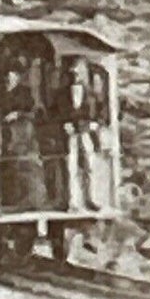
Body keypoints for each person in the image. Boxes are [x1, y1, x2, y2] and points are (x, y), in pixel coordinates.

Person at [53, 59, 104, 212]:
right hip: (71, 134)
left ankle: (91, 199)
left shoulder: (91, 94)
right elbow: (57, 112)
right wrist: (65, 123)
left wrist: (95, 123)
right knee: (71, 167)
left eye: (79, 72)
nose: (77, 75)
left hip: (86, 132)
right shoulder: (63, 94)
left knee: (90, 166)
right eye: (74, 72)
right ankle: (73, 202)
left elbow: (100, 113)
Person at [0, 64, 46, 211]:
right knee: (10, 165)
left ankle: (30, 200)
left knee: (26, 165)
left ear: (17, 77)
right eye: (7, 76)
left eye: (12, 75)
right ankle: (12, 199)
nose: (9, 78)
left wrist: (18, 114)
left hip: (22, 132)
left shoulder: (24, 92)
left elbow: (32, 111)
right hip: (7, 133)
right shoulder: (1, 92)